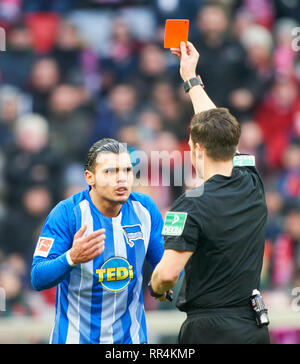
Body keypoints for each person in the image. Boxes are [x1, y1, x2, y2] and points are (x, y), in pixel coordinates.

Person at [149, 41, 270, 344]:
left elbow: (167, 274)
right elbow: (219, 127)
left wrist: (155, 286)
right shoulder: (252, 182)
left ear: (196, 148)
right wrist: (191, 79)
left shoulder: (189, 205)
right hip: (252, 328)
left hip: (209, 331)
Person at [31, 138, 165, 344]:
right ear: (89, 177)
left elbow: (164, 264)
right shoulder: (67, 213)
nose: (121, 179)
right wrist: (71, 258)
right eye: (110, 172)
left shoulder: (145, 209)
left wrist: (166, 284)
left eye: (127, 171)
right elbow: (38, 277)